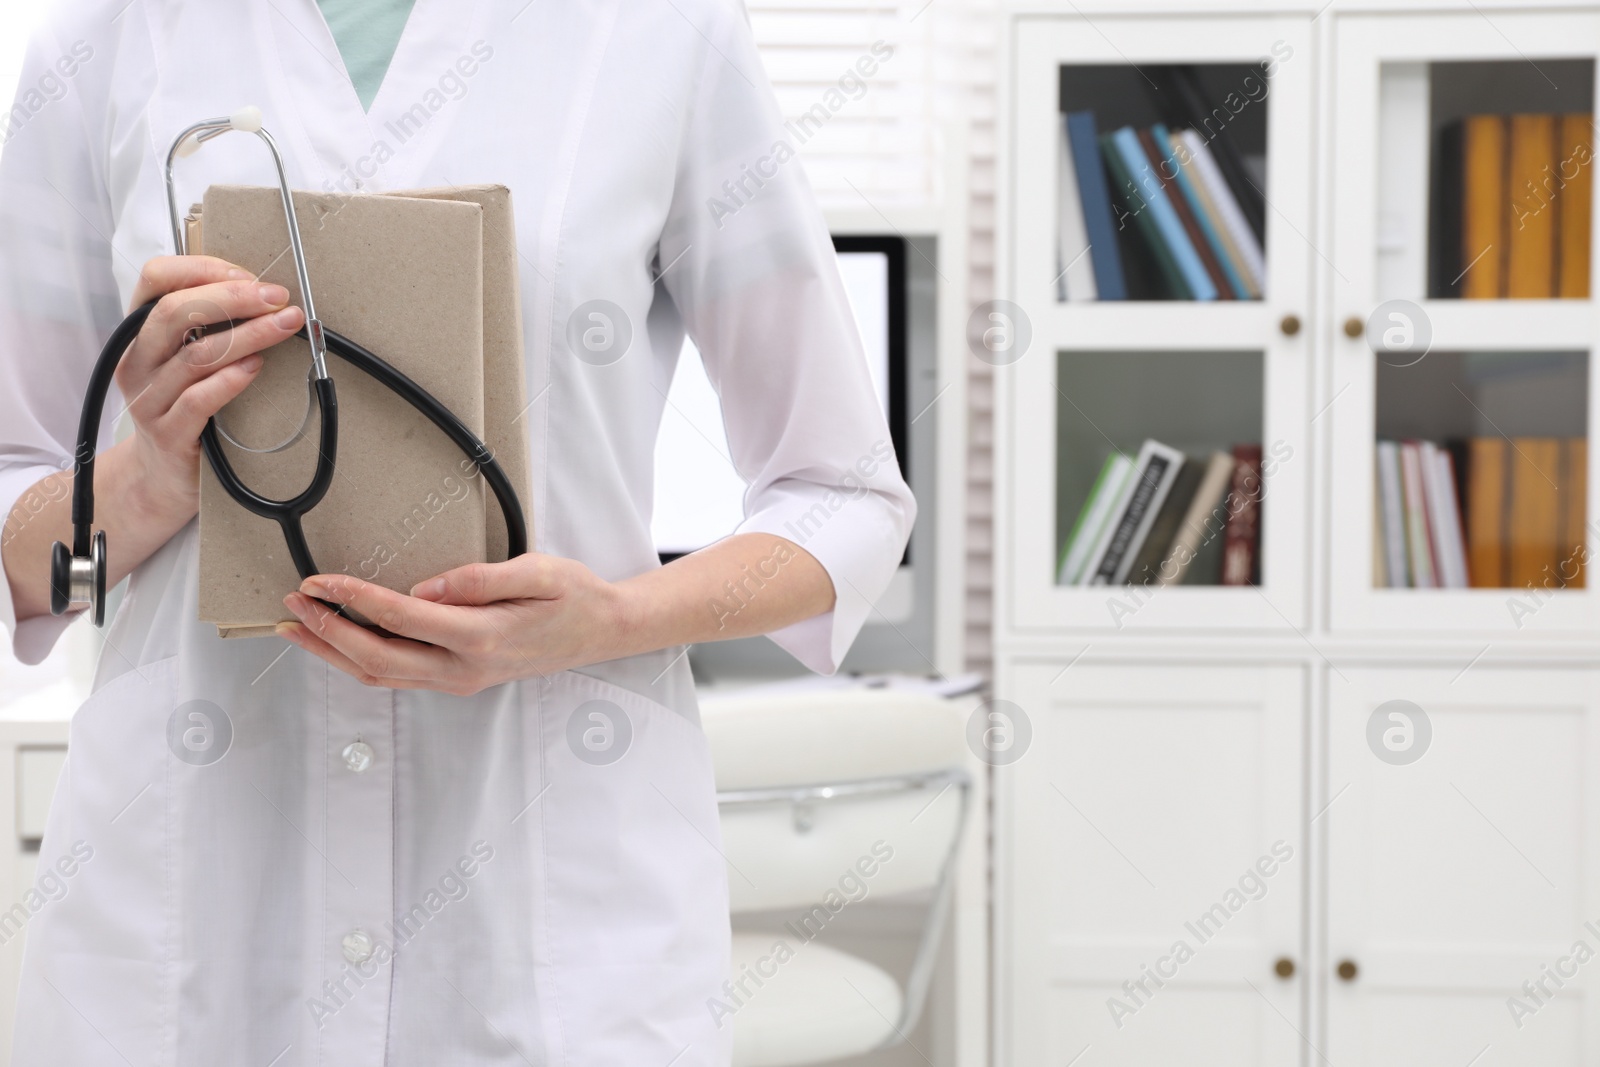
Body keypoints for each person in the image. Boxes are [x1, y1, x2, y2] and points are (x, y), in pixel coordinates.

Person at [0, 0, 914, 1062]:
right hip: (195, 905)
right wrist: (150, 476)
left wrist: (609, 618)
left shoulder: (665, 34)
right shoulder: (106, 42)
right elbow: (31, 552)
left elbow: (844, 495)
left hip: (547, 907)